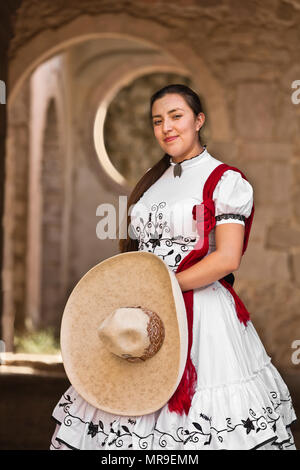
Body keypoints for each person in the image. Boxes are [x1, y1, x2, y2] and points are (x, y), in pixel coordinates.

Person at [50, 84, 297, 450]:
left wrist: (162, 287)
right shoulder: (152, 183)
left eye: (176, 116)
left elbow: (227, 258)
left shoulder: (225, 181)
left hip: (202, 316)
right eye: (157, 120)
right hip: (145, 311)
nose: (167, 127)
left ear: (198, 120)